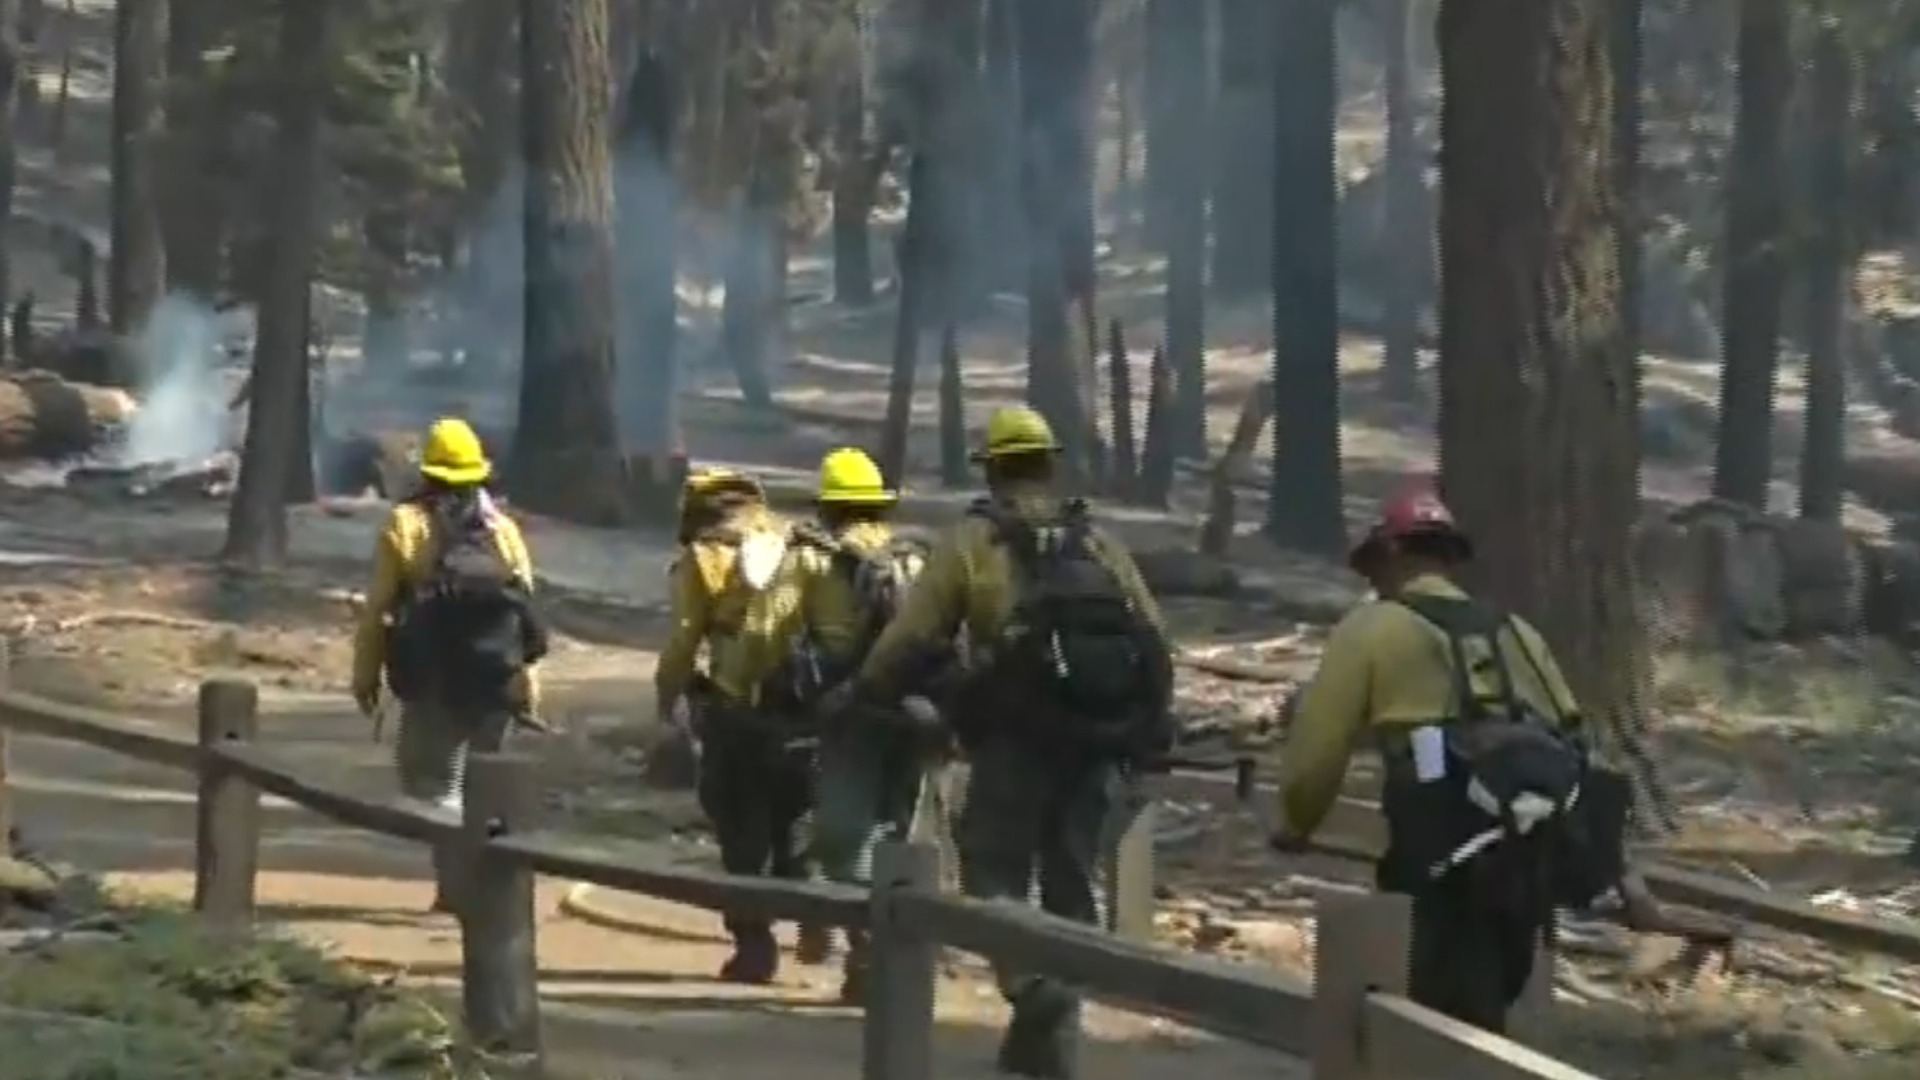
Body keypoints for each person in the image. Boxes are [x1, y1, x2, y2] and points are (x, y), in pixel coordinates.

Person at [837, 407, 1174, 1078]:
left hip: (1013, 741)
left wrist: (869, 688)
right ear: (1049, 465)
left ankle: (1033, 988)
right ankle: (1054, 1033)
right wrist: (1142, 732)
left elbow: (912, 636)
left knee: (992, 868)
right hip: (1097, 743)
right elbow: (1155, 639)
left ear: (991, 470)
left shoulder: (973, 542)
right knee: (1072, 880)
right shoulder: (1098, 544)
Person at [1271, 487, 1615, 1034]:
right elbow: (1574, 738)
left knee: (1426, 1014)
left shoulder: (1373, 628)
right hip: (1528, 855)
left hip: (1435, 856)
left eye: (1374, 569)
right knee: (1488, 1007)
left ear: (1392, 555)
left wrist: (1297, 823)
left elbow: (1319, 749)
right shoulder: (1518, 633)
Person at [350, 417, 548, 911]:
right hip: (496, 682)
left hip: (432, 682)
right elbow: (522, 609)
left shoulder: (405, 525)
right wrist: (528, 686)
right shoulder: (503, 531)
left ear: (427, 473)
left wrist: (366, 674)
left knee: (432, 787)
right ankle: (480, 891)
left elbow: (378, 610)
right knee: (486, 787)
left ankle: (457, 886)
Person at [786, 447, 953, 1004]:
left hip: (850, 714)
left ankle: (865, 946)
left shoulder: (809, 560)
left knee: (844, 835)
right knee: (900, 829)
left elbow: (768, 632)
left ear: (827, 507)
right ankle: (889, 948)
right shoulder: (919, 558)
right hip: (916, 715)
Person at [654, 466, 826, 984]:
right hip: (805, 708)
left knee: (740, 829)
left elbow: (684, 640)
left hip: (736, 710)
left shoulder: (704, 556)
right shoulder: (797, 543)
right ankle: (818, 910)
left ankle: (754, 947)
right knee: (796, 817)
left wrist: (667, 698)